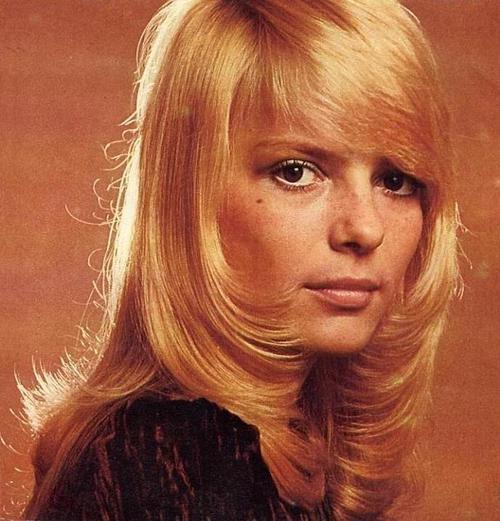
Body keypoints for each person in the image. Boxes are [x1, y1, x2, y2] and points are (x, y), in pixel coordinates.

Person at [21, 0, 460, 519]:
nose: (365, 229)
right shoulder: (173, 456)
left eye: (395, 181)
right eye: (296, 172)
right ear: (189, 198)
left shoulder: (270, 453)